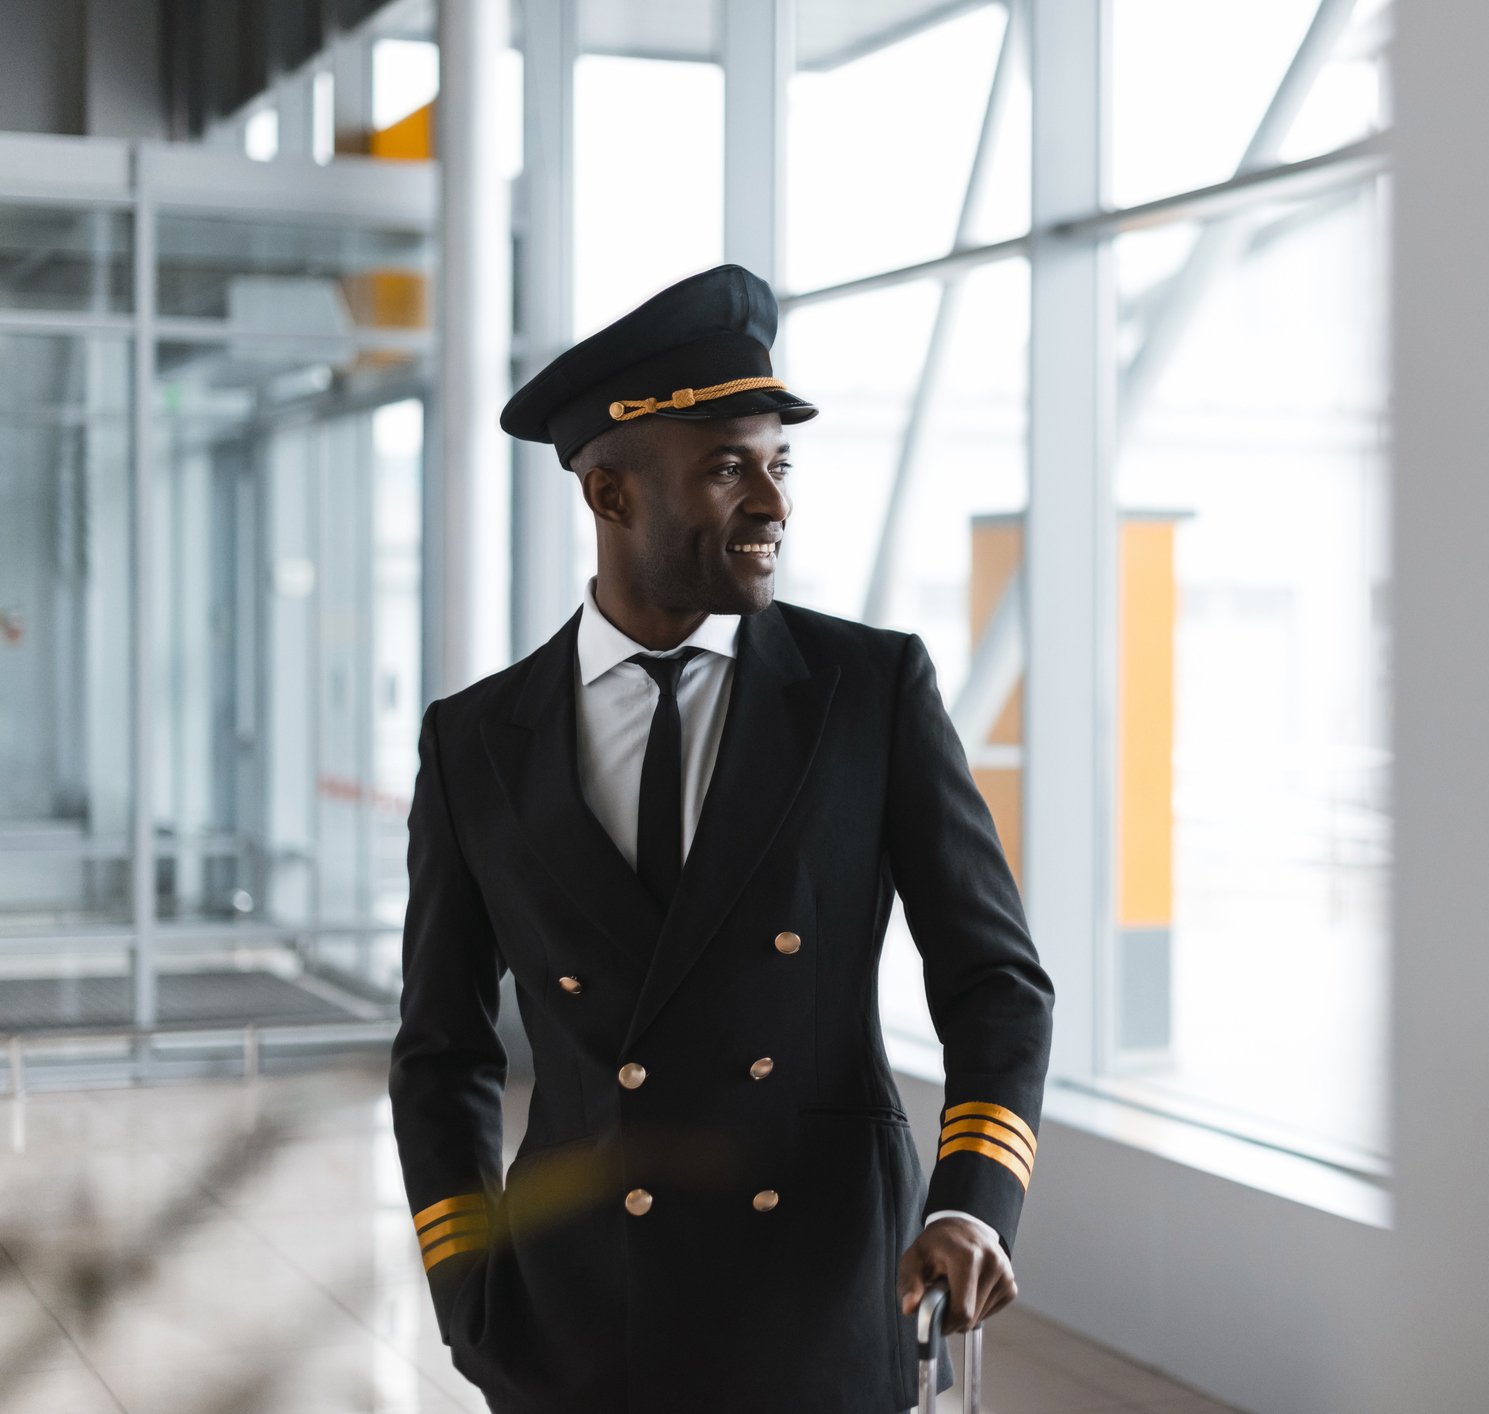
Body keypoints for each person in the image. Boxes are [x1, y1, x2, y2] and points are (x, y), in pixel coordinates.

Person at [386, 264, 1055, 1413]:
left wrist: (969, 1198)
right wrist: (469, 1291)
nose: (774, 505)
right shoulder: (475, 740)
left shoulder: (868, 691)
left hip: (819, 1302)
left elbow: (995, 979)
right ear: (611, 496)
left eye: (779, 464)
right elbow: (441, 1048)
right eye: (727, 468)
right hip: (577, 1320)